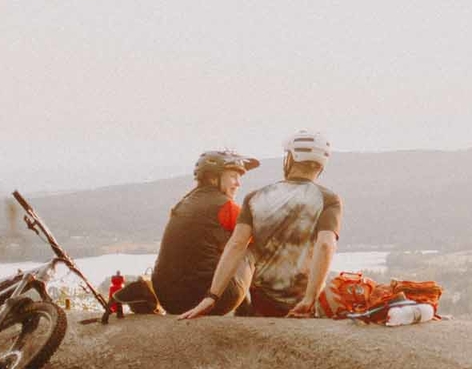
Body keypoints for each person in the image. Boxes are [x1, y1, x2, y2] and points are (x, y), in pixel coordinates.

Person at [180, 129, 342, 320]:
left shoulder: (255, 198)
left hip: (263, 303)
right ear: (320, 166)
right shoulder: (329, 199)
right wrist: (309, 299)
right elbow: (325, 245)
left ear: (289, 159)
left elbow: (236, 245)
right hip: (302, 303)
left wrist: (212, 297)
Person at [145, 149, 259, 315]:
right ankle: (249, 311)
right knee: (250, 248)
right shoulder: (226, 207)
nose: (238, 183)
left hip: (169, 300)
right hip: (208, 299)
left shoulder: (183, 203)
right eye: (233, 177)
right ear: (213, 178)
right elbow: (260, 240)